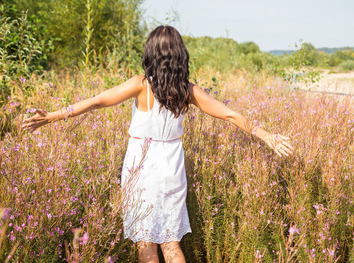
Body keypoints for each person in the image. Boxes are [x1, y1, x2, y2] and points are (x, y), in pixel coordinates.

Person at [22, 25, 293, 263]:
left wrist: (52, 116)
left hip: (141, 166)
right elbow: (230, 114)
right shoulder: (188, 90)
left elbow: (96, 101)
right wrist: (267, 136)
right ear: (179, 56)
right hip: (172, 166)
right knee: (170, 241)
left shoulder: (140, 85)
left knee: (145, 239)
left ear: (151, 54)